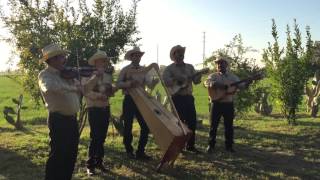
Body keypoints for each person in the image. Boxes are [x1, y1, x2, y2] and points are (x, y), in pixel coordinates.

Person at [38, 44, 81, 180]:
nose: (65, 59)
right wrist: (72, 89)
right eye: (62, 56)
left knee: (71, 154)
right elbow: (49, 87)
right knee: (58, 155)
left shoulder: (68, 74)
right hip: (58, 120)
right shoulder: (45, 75)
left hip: (72, 120)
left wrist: (94, 78)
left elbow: (83, 89)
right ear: (52, 59)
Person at [116, 47, 158, 160]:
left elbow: (150, 85)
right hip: (129, 99)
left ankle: (140, 151)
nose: (137, 57)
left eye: (139, 55)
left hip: (141, 101)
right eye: (135, 55)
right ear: (131, 57)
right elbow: (118, 84)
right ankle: (129, 150)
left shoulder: (144, 70)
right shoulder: (125, 69)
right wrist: (129, 83)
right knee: (128, 126)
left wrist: (154, 82)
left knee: (145, 126)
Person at [204, 57, 251, 153]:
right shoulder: (213, 76)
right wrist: (216, 84)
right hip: (216, 104)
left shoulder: (233, 77)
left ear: (226, 65)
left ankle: (229, 146)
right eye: (218, 64)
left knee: (229, 126)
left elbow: (242, 86)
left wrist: (248, 82)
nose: (220, 65)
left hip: (228, 104)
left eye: (222, 63)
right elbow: (206, 83)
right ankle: (211, 145)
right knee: (213, 126)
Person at [162, 45, 203, 153]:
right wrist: (177, 79)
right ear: (173, 55)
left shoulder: (190, 67)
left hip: (188, 97)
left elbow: (196, 81)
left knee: (192, 122)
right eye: (178, 52)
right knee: (178, 123)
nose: (181, 54)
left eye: (182, 52)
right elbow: (165, 82)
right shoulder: (169, 69)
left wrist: (199, 75)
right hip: (176, 97)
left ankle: (190, 146)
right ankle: (178, 146)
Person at [82, 50, 117, 175]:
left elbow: (110, 91)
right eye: (102, 60)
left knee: (102, 137)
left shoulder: (108, 75)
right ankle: (90, 165)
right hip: (94, 109)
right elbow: (85, 91)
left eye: (105, 60)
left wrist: (112, 90)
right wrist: (98, 96)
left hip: (105, 108)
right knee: (95, 137)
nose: (104, 62)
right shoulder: (87, 74)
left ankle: (99, 162)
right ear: (95, 62)